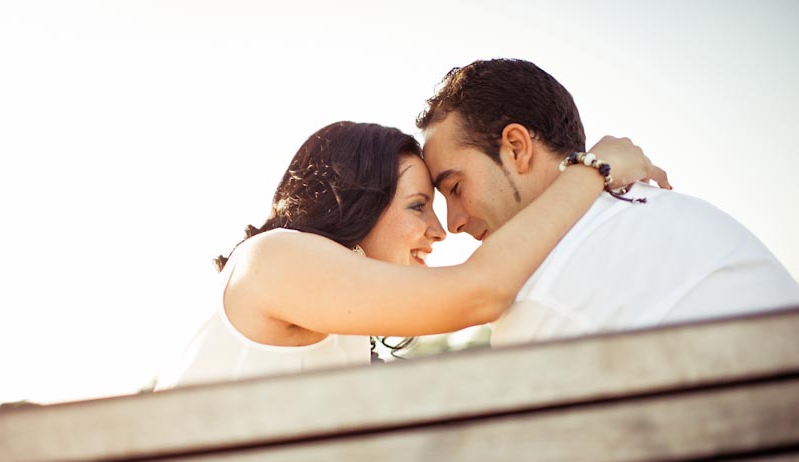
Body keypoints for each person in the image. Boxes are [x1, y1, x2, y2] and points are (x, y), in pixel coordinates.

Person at [155, 121, 666, 389]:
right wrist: (592, 168)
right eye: (419, 205)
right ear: (356, 200)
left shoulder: (334, 325)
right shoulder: (272, 259)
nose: (440, 230)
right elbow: (478, 293)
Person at [417, 58, 799, 346]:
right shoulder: (664, 214)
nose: (452, 223)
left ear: (517, 148)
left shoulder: (548, 291)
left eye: (455, 188)